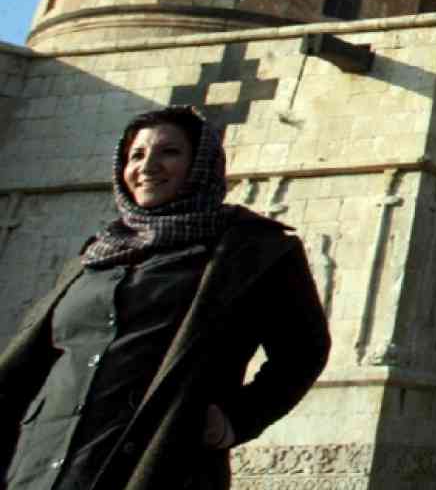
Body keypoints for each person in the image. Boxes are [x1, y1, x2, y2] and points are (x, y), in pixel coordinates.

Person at [0, 106, 330, 489]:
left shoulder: (252, 250)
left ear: (201, 164)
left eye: (169, 152)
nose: (147, 166)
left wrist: (237, 419)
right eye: (136, 155)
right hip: (38, 467)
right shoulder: (97, 253)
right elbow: (34, 362)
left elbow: (302, 352)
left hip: (157, 465)